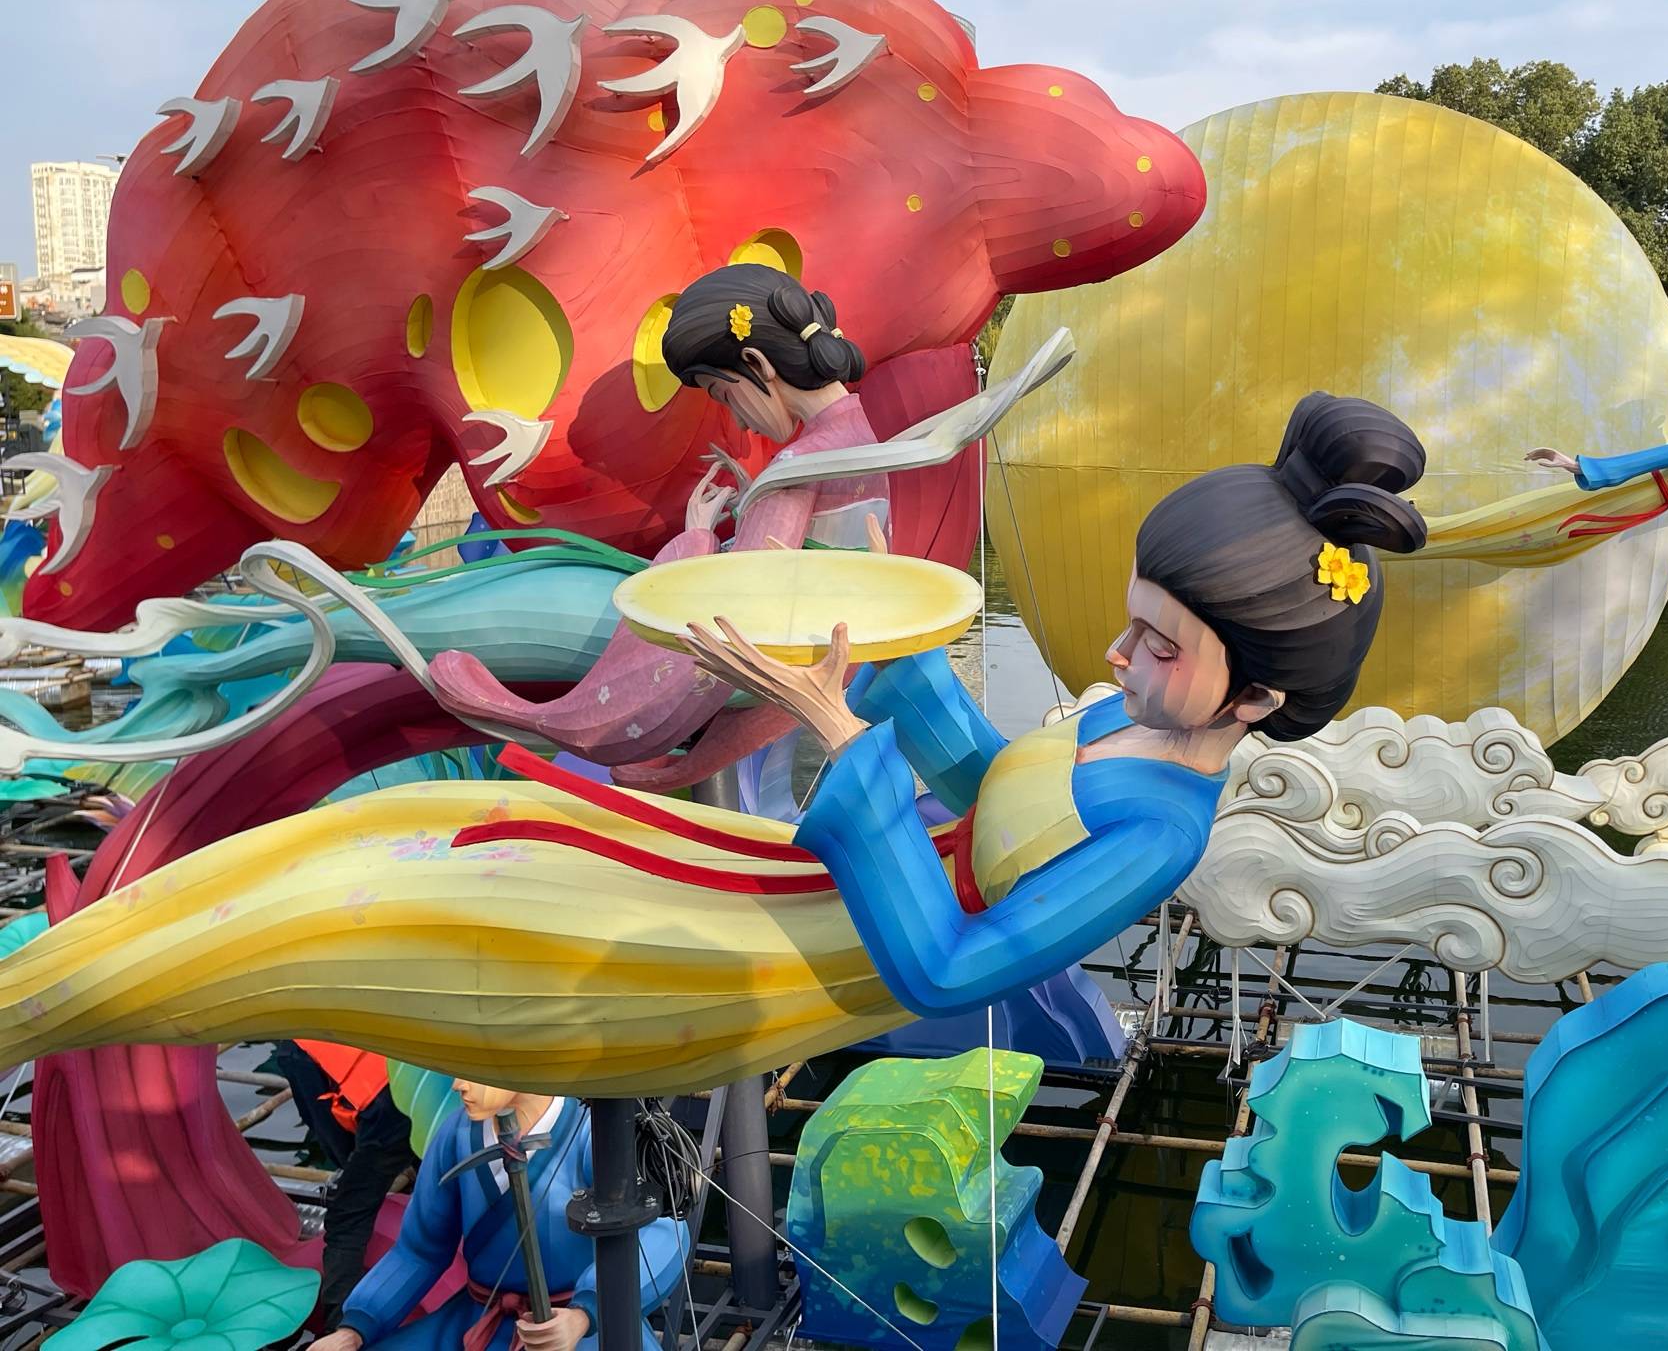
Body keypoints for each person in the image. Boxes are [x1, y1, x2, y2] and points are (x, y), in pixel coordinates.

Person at [0, 395, 1426, 1092]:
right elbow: (998, 789)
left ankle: (93, 985)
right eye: (1131, 624)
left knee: (459, 905)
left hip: (815, 958)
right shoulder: (1125, 720)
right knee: (498, 826)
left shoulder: (1157, 837)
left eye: (1159, 646)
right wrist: (893, 674)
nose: (1116, 660)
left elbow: (945, 968)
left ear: (1256, 701)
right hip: (812, 881)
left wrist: (840, 742)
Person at [427, 263, 889, 765]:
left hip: (771, 647)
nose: (738, 420)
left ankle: (567, 718)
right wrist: (753, 498)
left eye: (724, 394)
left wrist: (696, 538)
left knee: (663, 573)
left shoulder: (798, 463)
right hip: (836, 633)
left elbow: (748, 586)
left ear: (756, 363)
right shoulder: (860, 434)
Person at [306, 1078, 687, 1351]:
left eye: (473, 1070)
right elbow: (419, 1251)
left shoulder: (595, 1132)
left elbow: (664, 1230)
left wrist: (585, 1313)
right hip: (478, 1317)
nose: (457, 1084)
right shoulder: (456, 1135)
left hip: (577, 1326)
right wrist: (357, 1327)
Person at [1402, 363, 1668, 569]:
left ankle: (1411, 536)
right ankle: (1416, 528)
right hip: (1608, 504)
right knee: (1514, 527)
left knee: (1525, 544)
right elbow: (1644, 461)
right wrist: (1575, 465)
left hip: (1614, 519)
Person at [270, 1040, 420, 1320]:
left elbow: (330, 1135)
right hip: (422, 1081)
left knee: (347, 1218)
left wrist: (355, 1169)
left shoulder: (294, 1049)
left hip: (387, 1109)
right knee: (441, 1180)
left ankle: (339, 1324)